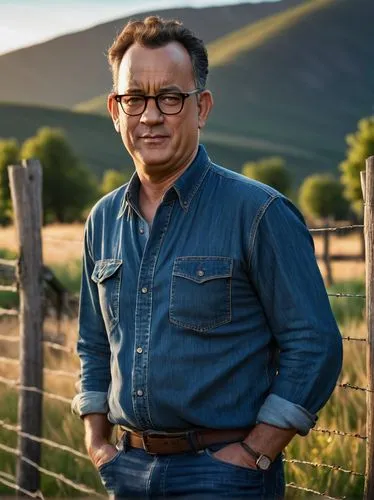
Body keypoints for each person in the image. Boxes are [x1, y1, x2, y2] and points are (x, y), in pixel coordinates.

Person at [71, 15, 342, 499]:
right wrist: (97, 442)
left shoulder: (259, 213)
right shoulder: (102, 219)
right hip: (127, 471)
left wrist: (256, 452)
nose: (150, 115)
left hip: (224, 477)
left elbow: (315, 344)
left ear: (202, 108)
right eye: (134, 98)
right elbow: (93, 343)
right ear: (116, 109)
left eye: (170, 98)